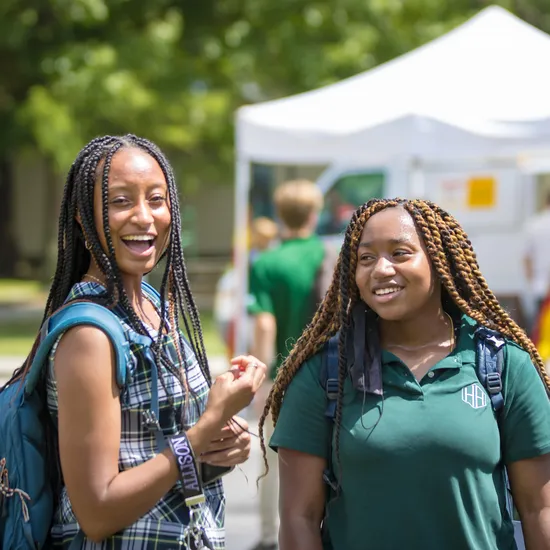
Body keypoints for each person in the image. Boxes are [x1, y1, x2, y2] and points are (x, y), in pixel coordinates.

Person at [12, 134, 267, 548]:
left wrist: (217, 448)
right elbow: (97, 512)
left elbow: (154, 461)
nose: (144, 217)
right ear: (81, 214)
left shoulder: (150, 304)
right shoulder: (89, 337)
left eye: (156, 199)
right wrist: (203, 430)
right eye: (120, 201)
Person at [261, 198, 550, 550]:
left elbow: (539, 509)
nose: (380, 269)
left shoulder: (503, 364)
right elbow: (298, 518)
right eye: (366, 258)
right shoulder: (324, 373)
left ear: (441, 262)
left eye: (400, 253)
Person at [247, 179, 325, 550]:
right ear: (315, 214)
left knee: (272, 461)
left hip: (284, 378)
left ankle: (267, 536)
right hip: (326, 375)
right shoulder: (328, 256)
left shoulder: (267, 262)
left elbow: (264, 322)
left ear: (279, 216)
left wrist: (264, 379)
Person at [523, 191, 550, 330]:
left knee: (542, 334)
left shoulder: (534, 224)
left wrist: (532, 282)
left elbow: (527, 258)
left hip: (539, 287)